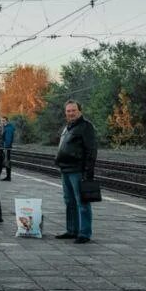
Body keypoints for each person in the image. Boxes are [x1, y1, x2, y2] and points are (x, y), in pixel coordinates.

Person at [54, 100, 97, 244]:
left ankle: (84, 233)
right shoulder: (68, 127)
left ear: (80, 111)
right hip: (66, 169)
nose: (71, 113)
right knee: (69, 201)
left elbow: (91, 151)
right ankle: (72, 230)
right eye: (68, 111)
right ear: (65, 113)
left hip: (78, 170)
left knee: (82, 202)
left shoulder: (86, 127)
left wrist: (88, 173)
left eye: (73, 110)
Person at [0, 117, 15, 181]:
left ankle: (8, 177)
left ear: (7, 121)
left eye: (3, 121)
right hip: (3, 148)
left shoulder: (8, 128)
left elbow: (8, 139)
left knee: (7, 162)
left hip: (6, 148)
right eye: (1, 121)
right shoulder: (5, 128)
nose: (2, 122)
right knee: (1, 161)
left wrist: (5, 148)